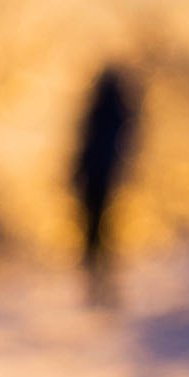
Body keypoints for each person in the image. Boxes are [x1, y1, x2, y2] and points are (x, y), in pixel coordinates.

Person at [70, 64, 140, 305]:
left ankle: (98, 281)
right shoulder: (118, 111)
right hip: (105, 181)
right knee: (103, 231)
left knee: (95, 232)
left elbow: (83, 148)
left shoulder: (97, 110)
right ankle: (101, 282)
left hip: (94, 180)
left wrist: (77, 174)